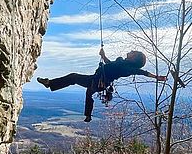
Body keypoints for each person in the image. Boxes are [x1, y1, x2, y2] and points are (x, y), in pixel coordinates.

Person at [37, 48, 167, 122]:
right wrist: (103, 56)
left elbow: (142, 72)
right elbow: (110, 65)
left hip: (97, 81)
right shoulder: (122, 64)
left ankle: (50, 84)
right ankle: (88, 115)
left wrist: (156, 77)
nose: (131, 50)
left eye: (134, 52)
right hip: (99, 82)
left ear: (134, 58)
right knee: (88, 93)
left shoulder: (128, 68)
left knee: (74, 77)